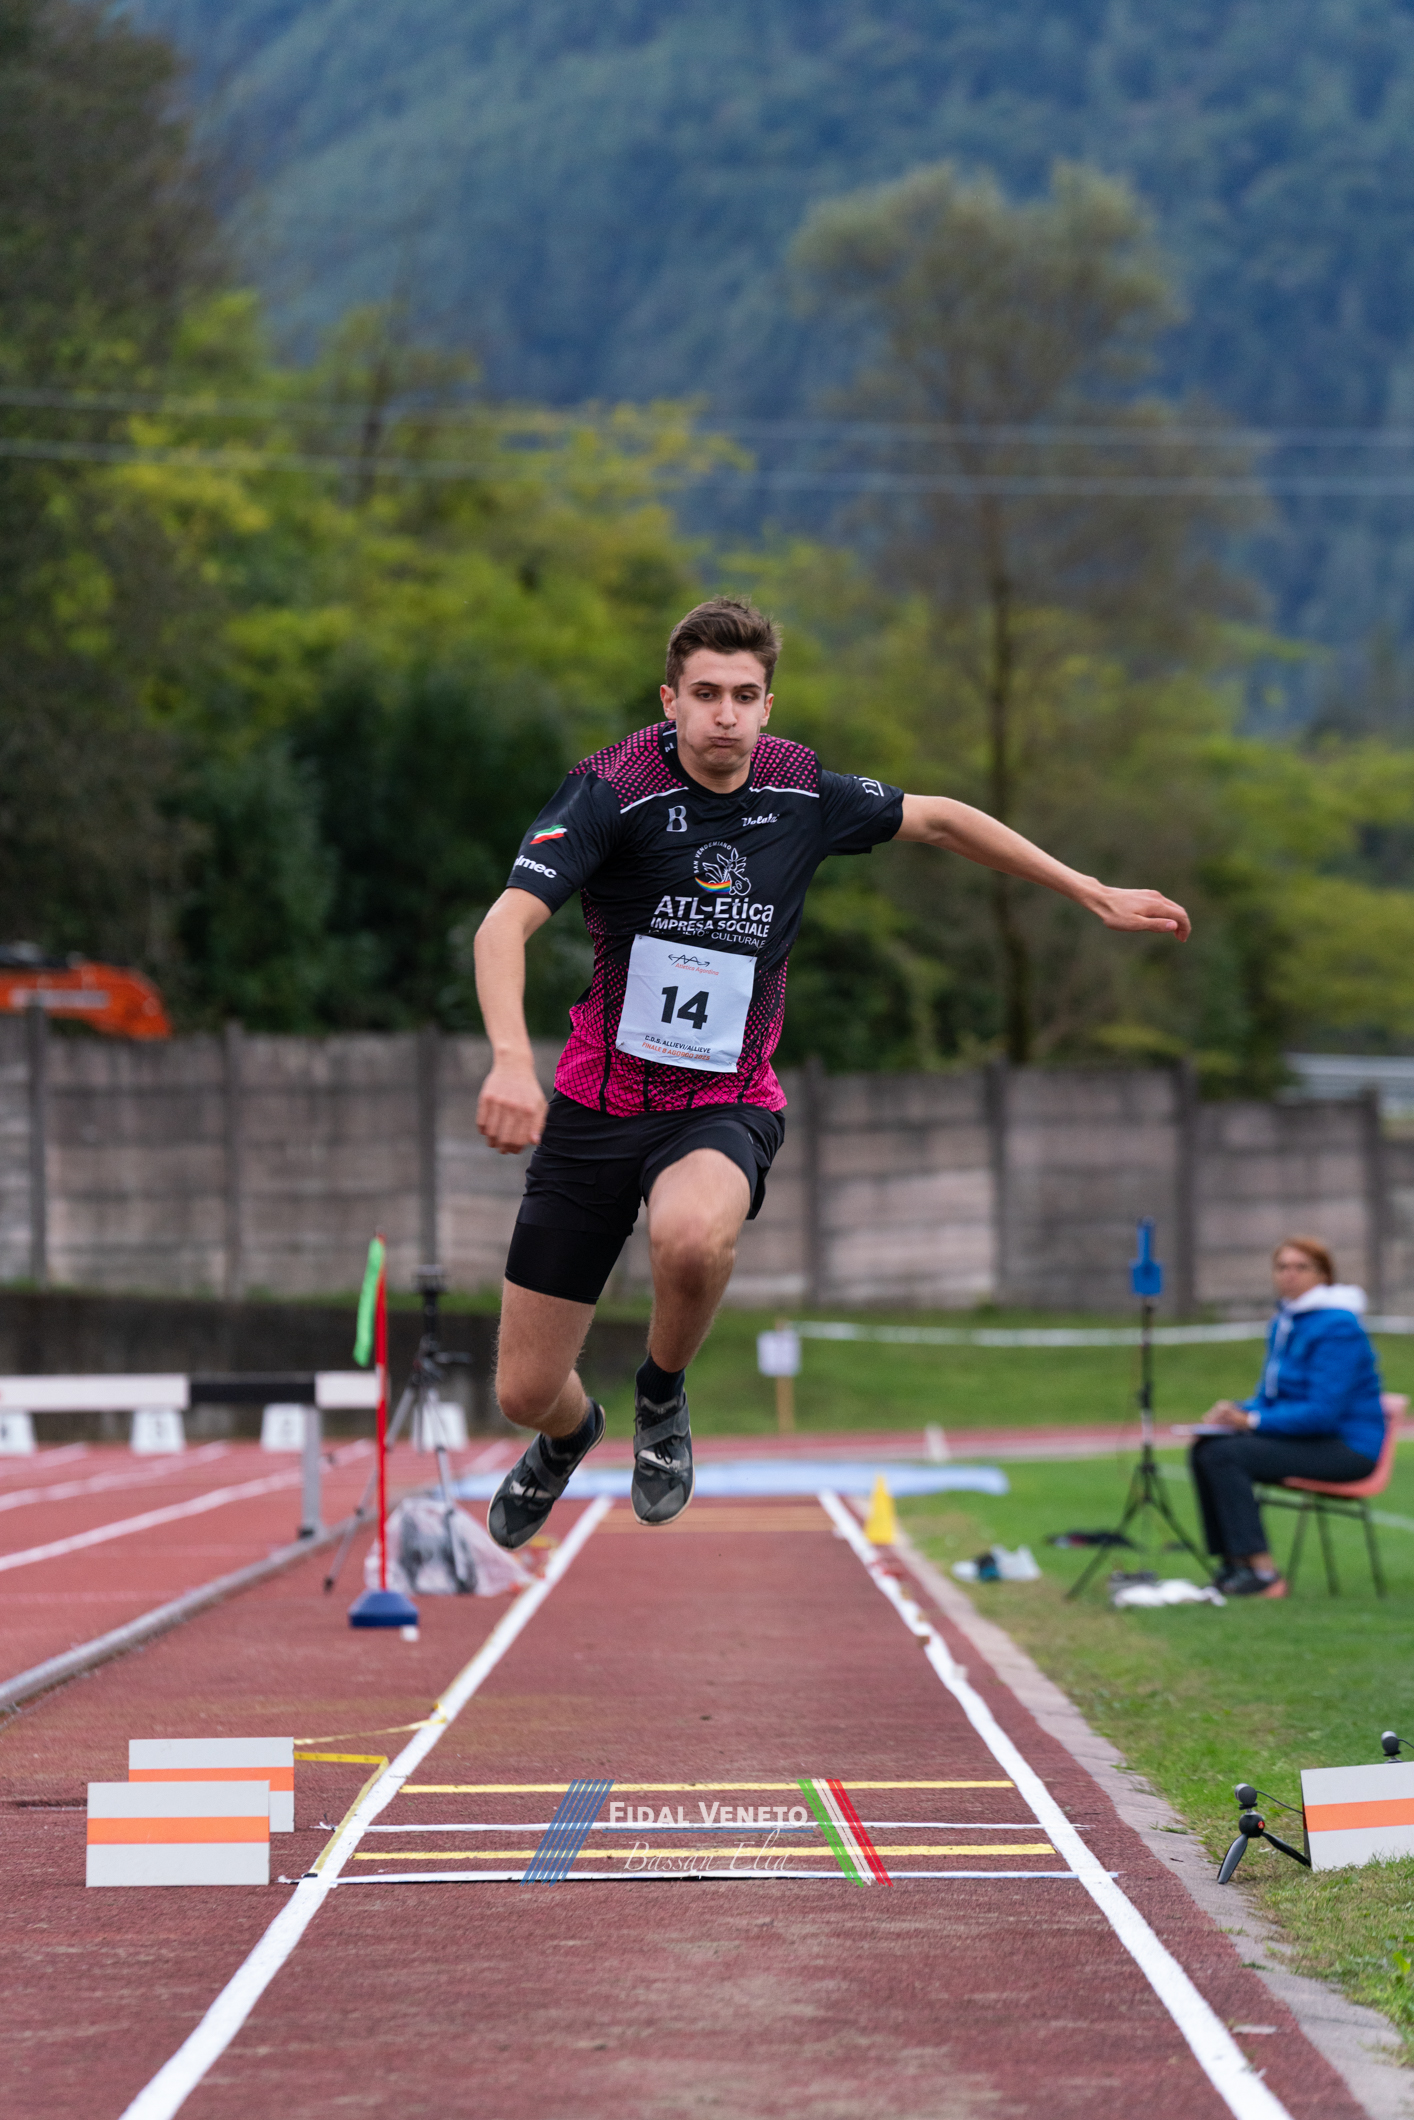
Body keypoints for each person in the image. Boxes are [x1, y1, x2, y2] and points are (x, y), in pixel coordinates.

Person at [474, 596, 1191, 1549]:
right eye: (705, 694)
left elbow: (940, 819)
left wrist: (1089, 890)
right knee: (525, 1392)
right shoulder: (610, 790)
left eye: (744, 696)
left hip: (722, 1099)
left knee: (690, 1240)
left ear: (768, 706)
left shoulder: (799, 789)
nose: (725, 715)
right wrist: (511, 1061)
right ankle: (572, 1435)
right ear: (669, 701)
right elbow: (504, 925)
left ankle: (661, 1396)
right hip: (597, 1103)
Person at [1189, 1236, 1384, 1598]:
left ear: (1324, 1275)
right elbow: (1271, 1398)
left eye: (1301, 1267)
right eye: (1282, 1267)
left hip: (1348, 1448)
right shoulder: (1285, 1321)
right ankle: (1234, 1565)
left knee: (1226, 1454)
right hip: (1308, 1439)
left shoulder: (1338, 1326)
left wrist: (1252, 1423)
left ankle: (1264, 1573)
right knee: (1206, 1445)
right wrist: (1237, 1412)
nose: (1289, 1275)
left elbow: (1323, 1413)